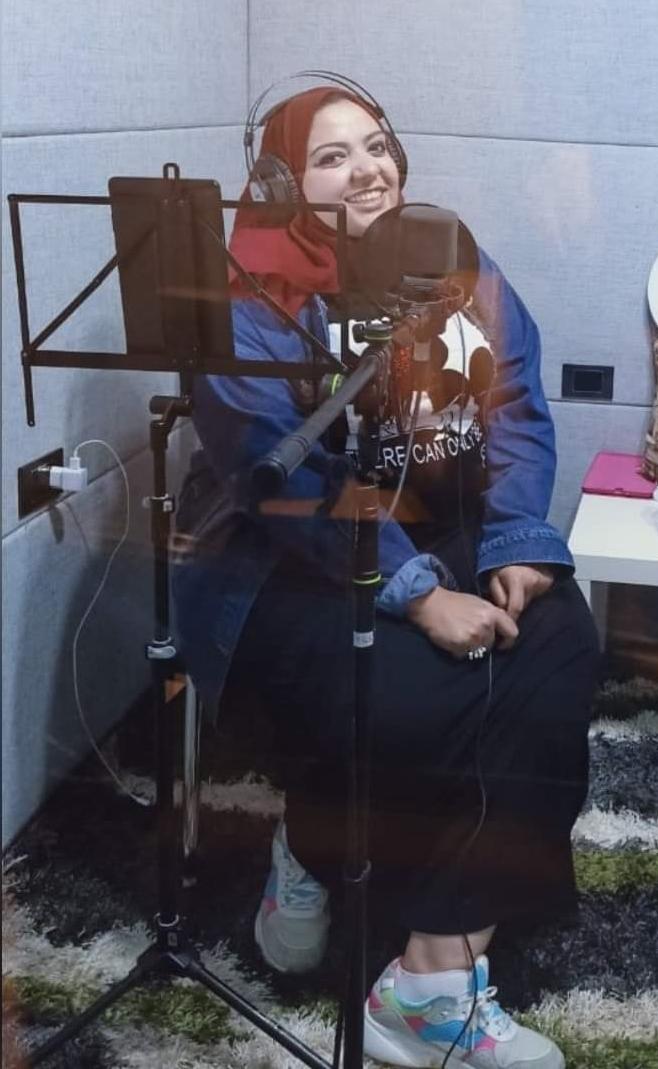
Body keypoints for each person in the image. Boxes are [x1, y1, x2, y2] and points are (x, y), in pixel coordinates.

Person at [172, 80, 600, 1069]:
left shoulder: (446, 256)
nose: (368, 170)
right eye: (331, 157)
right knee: (423, 689)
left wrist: (515, 542)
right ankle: (313, 839)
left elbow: (513, 402)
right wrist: (417, 592)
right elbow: (282, 478)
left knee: (559, 650)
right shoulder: (244, 297)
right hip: (283, 562)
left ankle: (430, 982)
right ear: (280, 183)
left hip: (451, 530)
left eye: (376, 145)